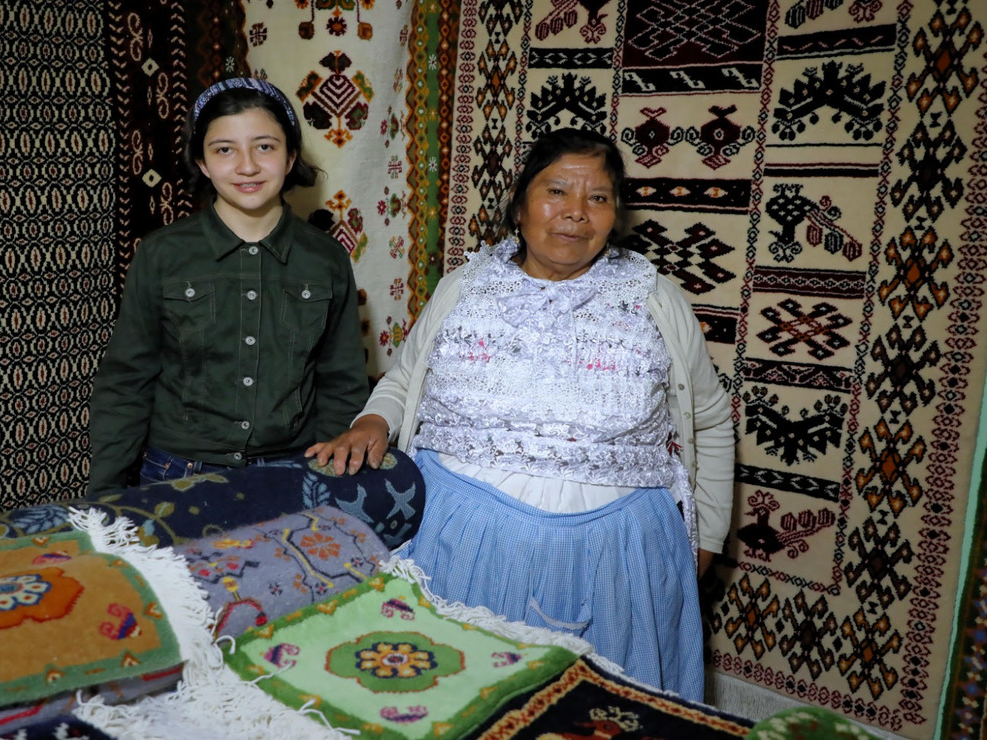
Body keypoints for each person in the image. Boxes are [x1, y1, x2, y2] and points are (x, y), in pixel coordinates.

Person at [307, 127, 733, 701]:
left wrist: (707, 531)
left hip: (620, 564)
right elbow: (405, 377)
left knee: (602, 715)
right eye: (557, 191)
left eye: (598, 198)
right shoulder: (465, 287)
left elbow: (708, 416)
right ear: (520, 205)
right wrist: (373, 422)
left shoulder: (654, 297)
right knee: (457, 705)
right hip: (459, 547)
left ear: (615, 214)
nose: (576, 214)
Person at [89, 78, 368, 494]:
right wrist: (104, 497)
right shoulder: (161, 254)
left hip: (292, 472)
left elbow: (341, 381)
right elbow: (127, 381)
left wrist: (327, 482)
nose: (247, 166)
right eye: (224, 150)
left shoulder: (325, 258)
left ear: (291, 156)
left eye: (264, 146)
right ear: (201, 161)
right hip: (177, 474)